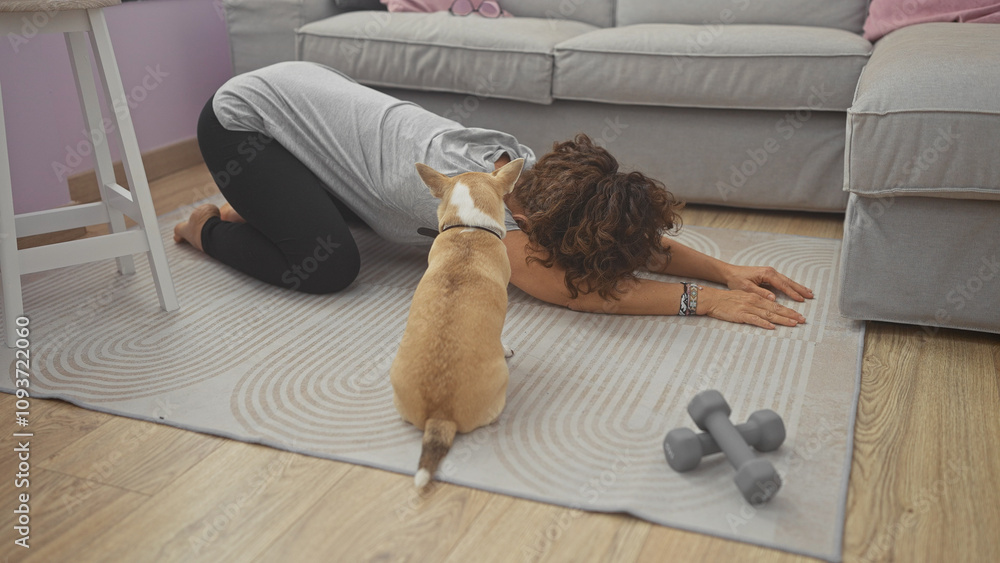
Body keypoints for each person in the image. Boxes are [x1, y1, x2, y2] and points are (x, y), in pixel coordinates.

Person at [175, 62, 812, 329]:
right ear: (525, 217)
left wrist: (724, 267)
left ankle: (273, 204)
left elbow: (617, 240)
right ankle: (206, 226)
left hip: (311, 116)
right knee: (329, 265)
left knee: (364, 223)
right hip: (248, 122)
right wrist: (705, 301)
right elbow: (570, 288)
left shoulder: (531, 179)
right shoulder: (485, 207)